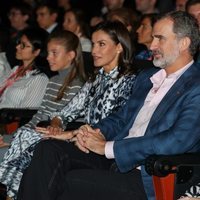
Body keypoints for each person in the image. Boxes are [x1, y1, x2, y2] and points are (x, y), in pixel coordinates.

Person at [17, 11, 200, 200]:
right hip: (114, 160)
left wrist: (107, 147)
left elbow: (176, 140)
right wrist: (91, 133)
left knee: (72, 180)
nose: (152, 45)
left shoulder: (195, 85)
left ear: (184, 43)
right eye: (152, 38)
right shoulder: (148, 77)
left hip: (149, 174)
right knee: (49, 149)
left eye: (159, 39)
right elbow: (121, 119)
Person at [0, 29, 86, 199]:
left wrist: (12, 140)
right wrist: (9, 138)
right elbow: (39, 117)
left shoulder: (79, 85)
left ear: (70, 55)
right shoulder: (54, 81)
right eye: (49, 52)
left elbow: (66, 124)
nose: (48, 57)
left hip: (55, 142)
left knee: (4, 155)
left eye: (55, 53)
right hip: (37, 136)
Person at [0, 27, 49, 109]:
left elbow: (27, 113)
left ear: (36, 51)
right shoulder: (15, 70)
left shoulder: (39, 79)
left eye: (23, 45)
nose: (17, 47)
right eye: (19, 43)